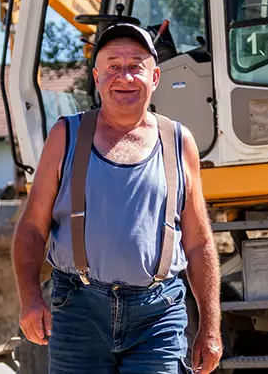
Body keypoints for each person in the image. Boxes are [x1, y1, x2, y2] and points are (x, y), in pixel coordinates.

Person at [12, 24, 223, 374]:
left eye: (135, 65)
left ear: (155, 77)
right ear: (97, 77)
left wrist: (210, 327)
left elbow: (199, 243)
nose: (123, 76)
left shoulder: (178, 142)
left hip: (158, 314)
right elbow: (32, 227)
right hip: (79, 310)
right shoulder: (67, 136)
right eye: (112, 66)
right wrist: (30, 299)